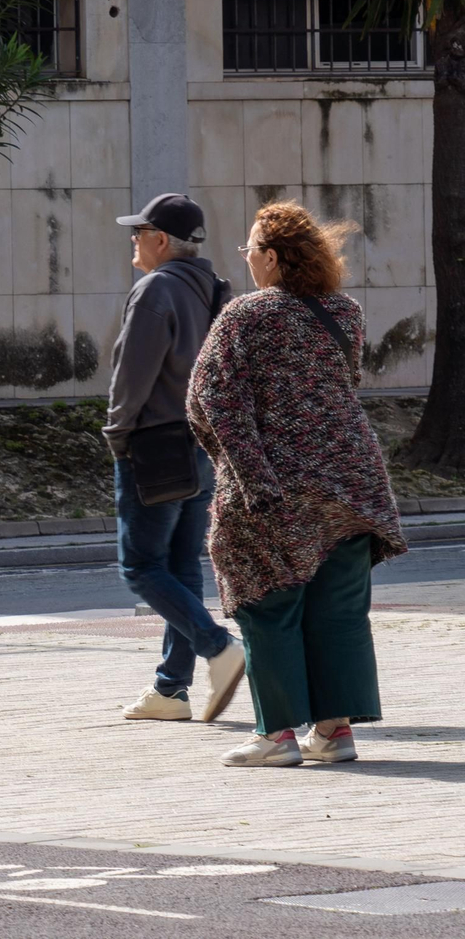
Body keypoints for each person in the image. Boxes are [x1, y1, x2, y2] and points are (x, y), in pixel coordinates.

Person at [189, 201, 406, 767]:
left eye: (250, 249)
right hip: (354, 483)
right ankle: (334, 733)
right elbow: (341, 385)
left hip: (278, 485)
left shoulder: (246, 314)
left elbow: (211, 400)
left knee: (269, 603)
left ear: (272, 257)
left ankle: (277, 736)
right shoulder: (345, 311)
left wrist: (246, 475)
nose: (246, 257)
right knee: (339, 611)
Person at [105, 193, 246, 722]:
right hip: (201, 444)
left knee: (141, 566)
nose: (133, 241)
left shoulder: (156, 289)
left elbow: (132, 375)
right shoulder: (213, 288)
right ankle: (170, 690)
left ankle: (219, 647)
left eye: (138, 233)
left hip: (155, 444)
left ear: (160, 240)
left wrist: (118, 434)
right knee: (182, 567)